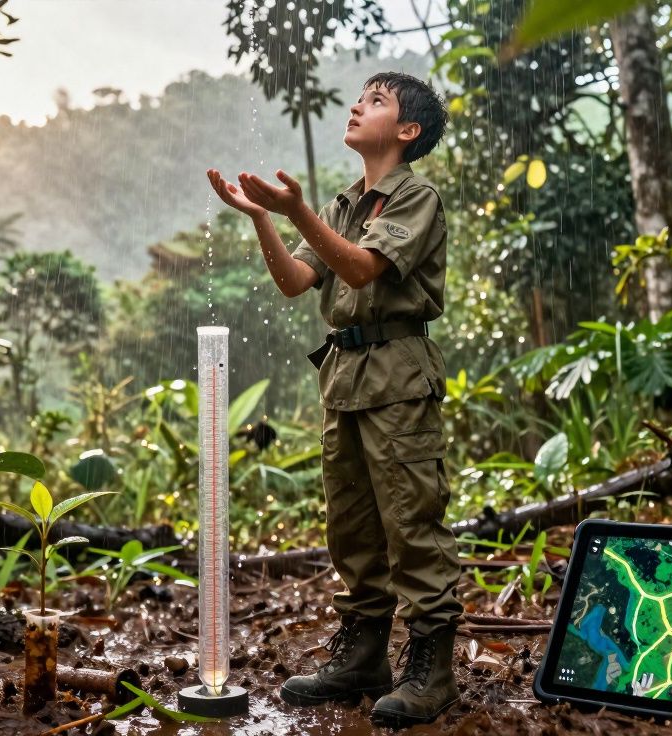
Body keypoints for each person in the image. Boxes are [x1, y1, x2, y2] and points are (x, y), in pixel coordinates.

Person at [206, 71, 459, 727]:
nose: (357, 105)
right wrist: (265, 217)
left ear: (408, 131)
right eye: (361, 96)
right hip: (345, 379)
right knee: (352, 529)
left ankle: (432, 671)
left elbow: (360, 269)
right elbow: (295, 280)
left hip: (399, 379)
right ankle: (361, 659)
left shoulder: (416, 197)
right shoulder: (345, 205)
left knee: (412, 526)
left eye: (377, 100)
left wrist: (296, 211)